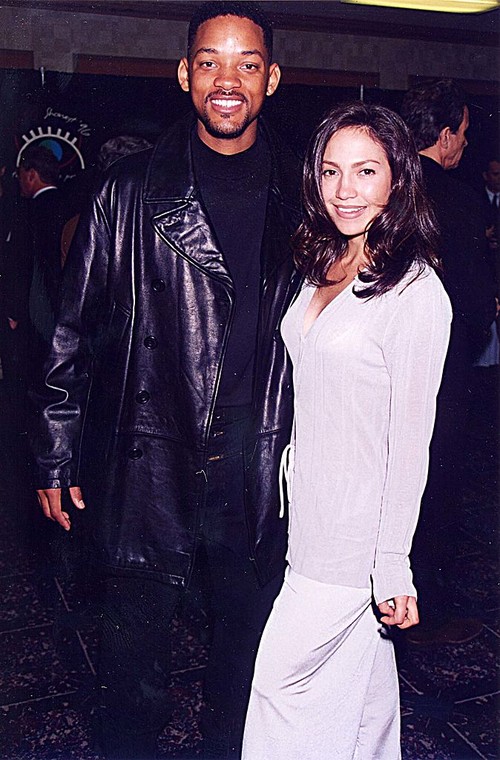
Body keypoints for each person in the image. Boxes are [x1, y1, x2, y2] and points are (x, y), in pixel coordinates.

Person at [32, 2, 301, 759]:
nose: (228, 80)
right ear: (184, 74)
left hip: (259, 463)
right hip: (149, 459)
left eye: (247, 63)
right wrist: (55, 455)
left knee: (246, 663)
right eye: (210, 61)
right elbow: (70, 332)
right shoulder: (126, 192)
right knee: (132, 670)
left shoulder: (306, 193)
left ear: (272, 78)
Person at [242, 102, 452, 760]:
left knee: (278, 687)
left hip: (355, 531)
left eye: (366, 171)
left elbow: (410, 442)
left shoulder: (415, 294)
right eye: (331, 171)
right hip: (309, 509)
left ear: (398, 178)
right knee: (365, 702)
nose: (345, 190)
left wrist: (392, 564)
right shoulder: (324, 263)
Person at [401, 80, 496, 646]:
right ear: (444, 135)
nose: (464, 142)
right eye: (462, 132)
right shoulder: (458, 197)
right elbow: (476, 301)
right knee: (437, 486)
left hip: (386, 362)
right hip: (442, 367)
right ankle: (426, 613)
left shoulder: (386, 184)